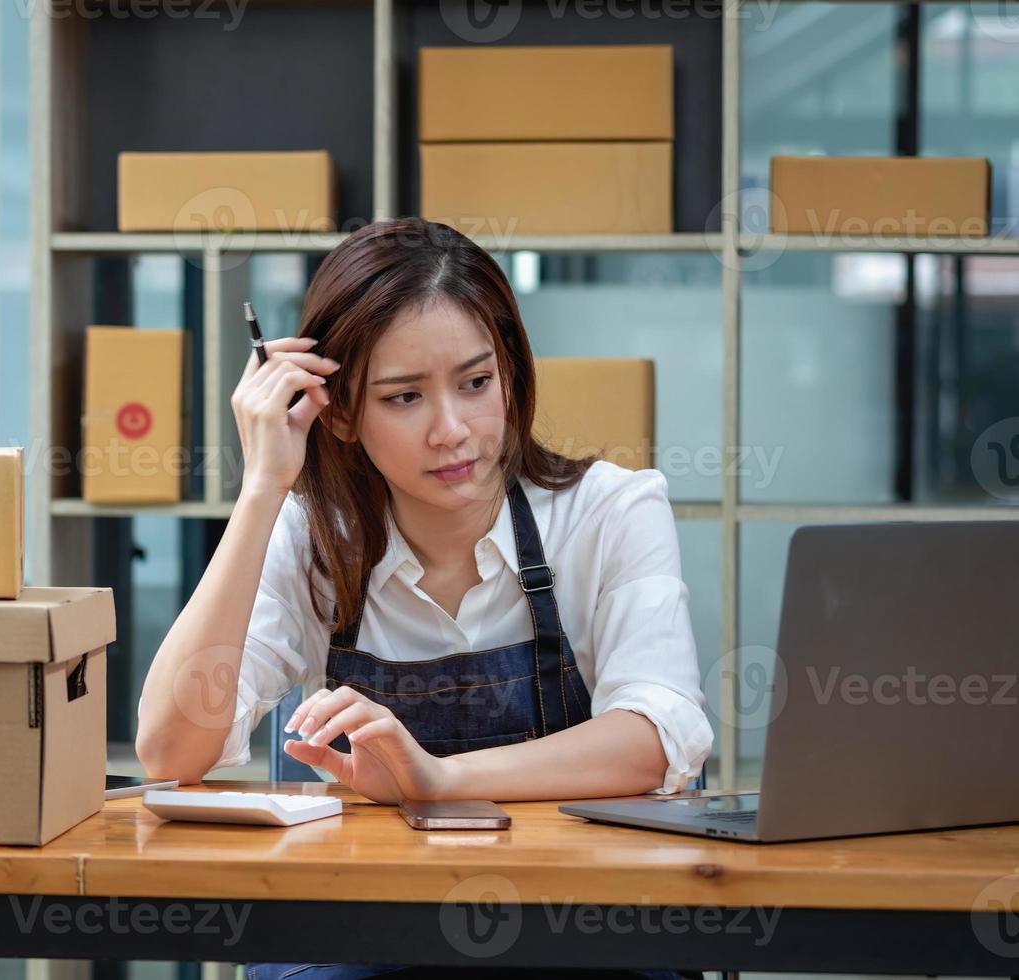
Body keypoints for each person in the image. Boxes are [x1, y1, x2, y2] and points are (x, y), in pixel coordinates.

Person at [135, 218, 713, 980]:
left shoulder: (611, 512)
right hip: (369, 923)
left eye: (475, 382)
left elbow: (655, 741)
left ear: (510, 372)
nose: (453, 430)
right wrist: (262, 489)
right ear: (336, 413)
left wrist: (436, 779)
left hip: (579, 920)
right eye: (404, 397)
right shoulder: (311, 536)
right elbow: (171, 751)